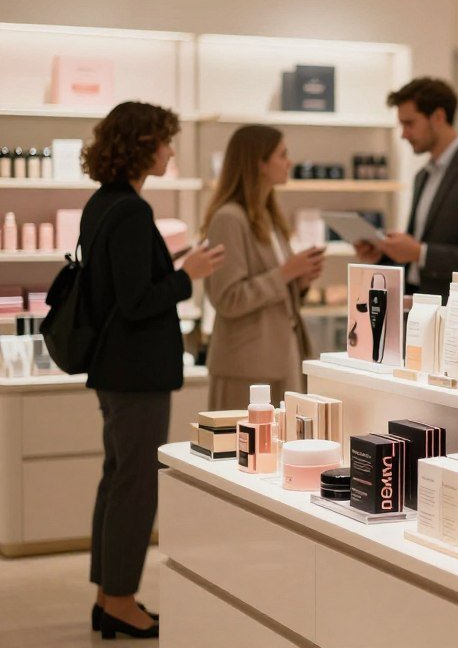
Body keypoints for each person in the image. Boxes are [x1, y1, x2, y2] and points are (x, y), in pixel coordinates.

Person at [80, 101, 224, 639]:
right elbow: (139, 301)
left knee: (118, 481)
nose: (169, 151)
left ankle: (109, 595)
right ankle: (119, 599)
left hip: (115, 369)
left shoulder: (104, 204)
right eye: (164, 141)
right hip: (136, 370)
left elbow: (122, 287)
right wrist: (188, 274)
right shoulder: (132, 211)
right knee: (136, 486)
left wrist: (175, 266)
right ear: (143, 146)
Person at [202, 125, 321, 409]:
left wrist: (299, 282)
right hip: (246, 368)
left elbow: (273, 290)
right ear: (259, 163)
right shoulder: (229, 219)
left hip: (281, 357)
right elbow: (228, 298)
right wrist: (286, 273)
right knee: (242, 451)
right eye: (282, 155)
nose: (289, 162)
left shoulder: (268, 216)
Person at [357, 77, 458, 291]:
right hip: (416, 306)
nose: (403, 134)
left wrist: (420, 252)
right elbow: (417, 258)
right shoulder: (423, 175)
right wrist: (383, 254)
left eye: (409, 124)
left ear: (438, 117)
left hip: (456, 313)